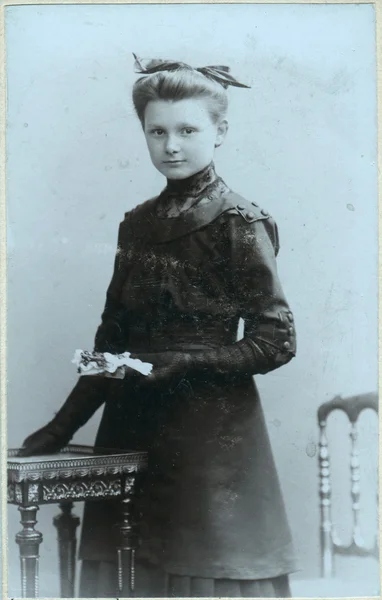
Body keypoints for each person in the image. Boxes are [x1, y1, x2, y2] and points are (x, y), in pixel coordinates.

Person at [20, 55, 299, 598]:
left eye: (187, 130)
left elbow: (277, 339)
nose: (171, 145)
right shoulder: (136, 225)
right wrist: (58, 430)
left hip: (210, 443)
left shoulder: (240, 223)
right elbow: (111, 343)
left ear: (220, 132)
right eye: (157, 132)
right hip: (130, 429)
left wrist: (189, 363)